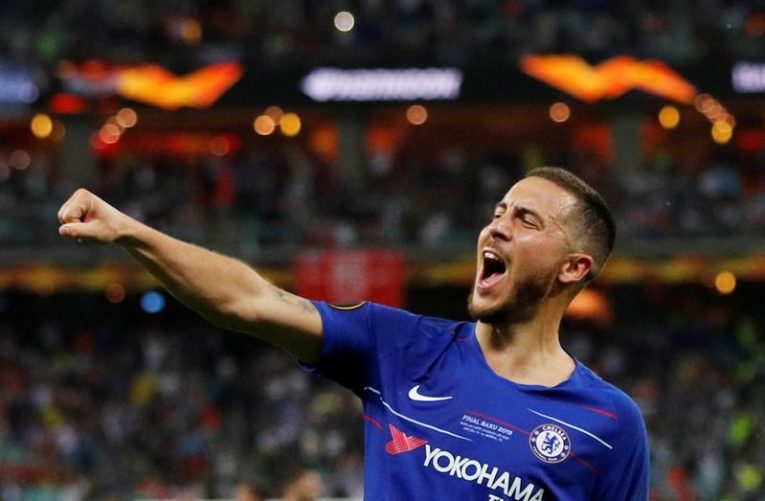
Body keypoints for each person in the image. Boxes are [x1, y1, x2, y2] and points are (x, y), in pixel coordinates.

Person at [57, 166, 649, 500]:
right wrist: (131, 231)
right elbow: (250, 301)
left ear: (574, 267)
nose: (497, 228)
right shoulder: (399, 345)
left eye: (526, 220)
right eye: (498, 213)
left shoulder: (608, 425)